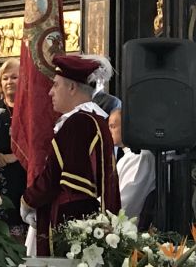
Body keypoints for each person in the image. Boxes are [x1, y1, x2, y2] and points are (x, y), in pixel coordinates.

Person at [20, 54, 121, 256]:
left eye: (56, 85)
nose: (50, 92)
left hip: (71, 223)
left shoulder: (78, 123)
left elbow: (55, 177)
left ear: (72, 88)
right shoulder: (96, 120)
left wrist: (27, 201)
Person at [0, 59, 27, 241]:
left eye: (14, 77)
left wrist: (14, 157)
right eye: (5, 78)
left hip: (21, 173)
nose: (9, 82)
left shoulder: (30, 111)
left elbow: (38, 141)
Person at [109, 108, 155, 221]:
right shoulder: (127, 156)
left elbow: (126, 203)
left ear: (127, 127)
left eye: (113, 126)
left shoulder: (141, 156)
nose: (109, 131)